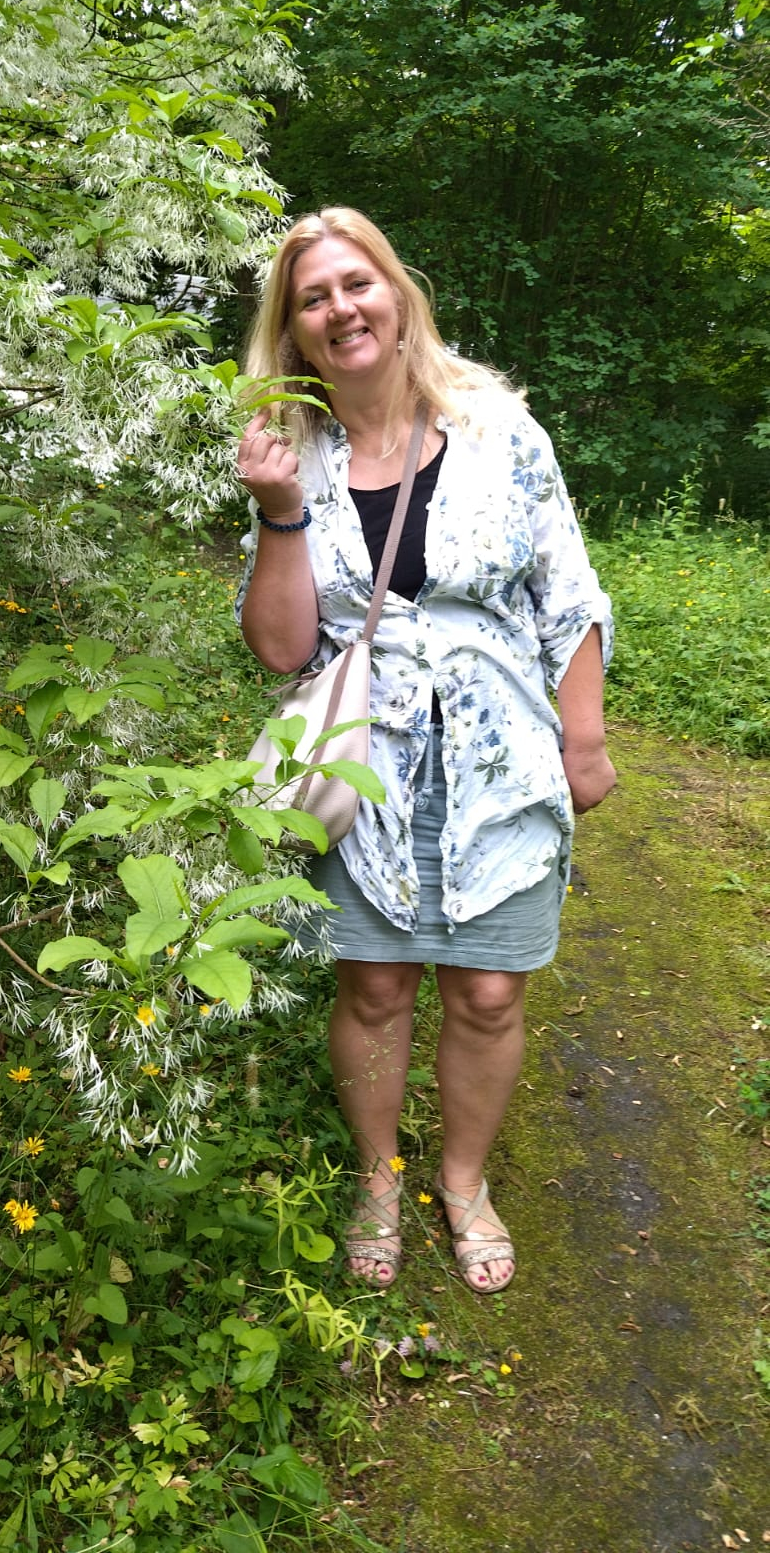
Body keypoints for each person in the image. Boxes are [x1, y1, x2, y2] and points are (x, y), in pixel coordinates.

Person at [235, 207, 616, 1294]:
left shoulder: (499, 430)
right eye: (314, 298)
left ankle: (463, 1180)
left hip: (503, 759)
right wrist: (278, 512)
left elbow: (569, 593)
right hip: (367, 769)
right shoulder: (291, 456)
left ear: (397, 295)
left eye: (357, 284)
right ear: (294, 331)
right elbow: (282, 648)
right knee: (374, 987)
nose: (341, 309)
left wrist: (584, 738)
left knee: (490, 993)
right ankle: (377, 1177)